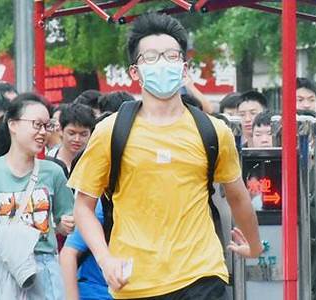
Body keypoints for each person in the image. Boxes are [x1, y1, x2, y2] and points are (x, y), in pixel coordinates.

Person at [68, 13, 262, 299]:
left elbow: (237, 195)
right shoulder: (110, 132)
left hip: (202, 274)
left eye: (171, 56)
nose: (162, 64)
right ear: (135, 71)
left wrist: (255, 246)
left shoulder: (212, 130)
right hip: (136, 282)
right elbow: (83, 207)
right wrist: (105, 258)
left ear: (184, 68)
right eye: (151, 57)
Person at [0, 95, 75, 300]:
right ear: (13, 125)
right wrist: (1, 234)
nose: (43, 132)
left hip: (45, 269)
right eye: (37, 125)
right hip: (4, 267)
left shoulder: (53, 172)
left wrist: (65, 224)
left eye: (47, 125)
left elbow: (63, 222)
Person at [47, 103, 96, 173]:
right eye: (71, 133)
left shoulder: (96, 162)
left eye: (83, 134)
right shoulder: (48, 161)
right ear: (60, 130)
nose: (77, 139)